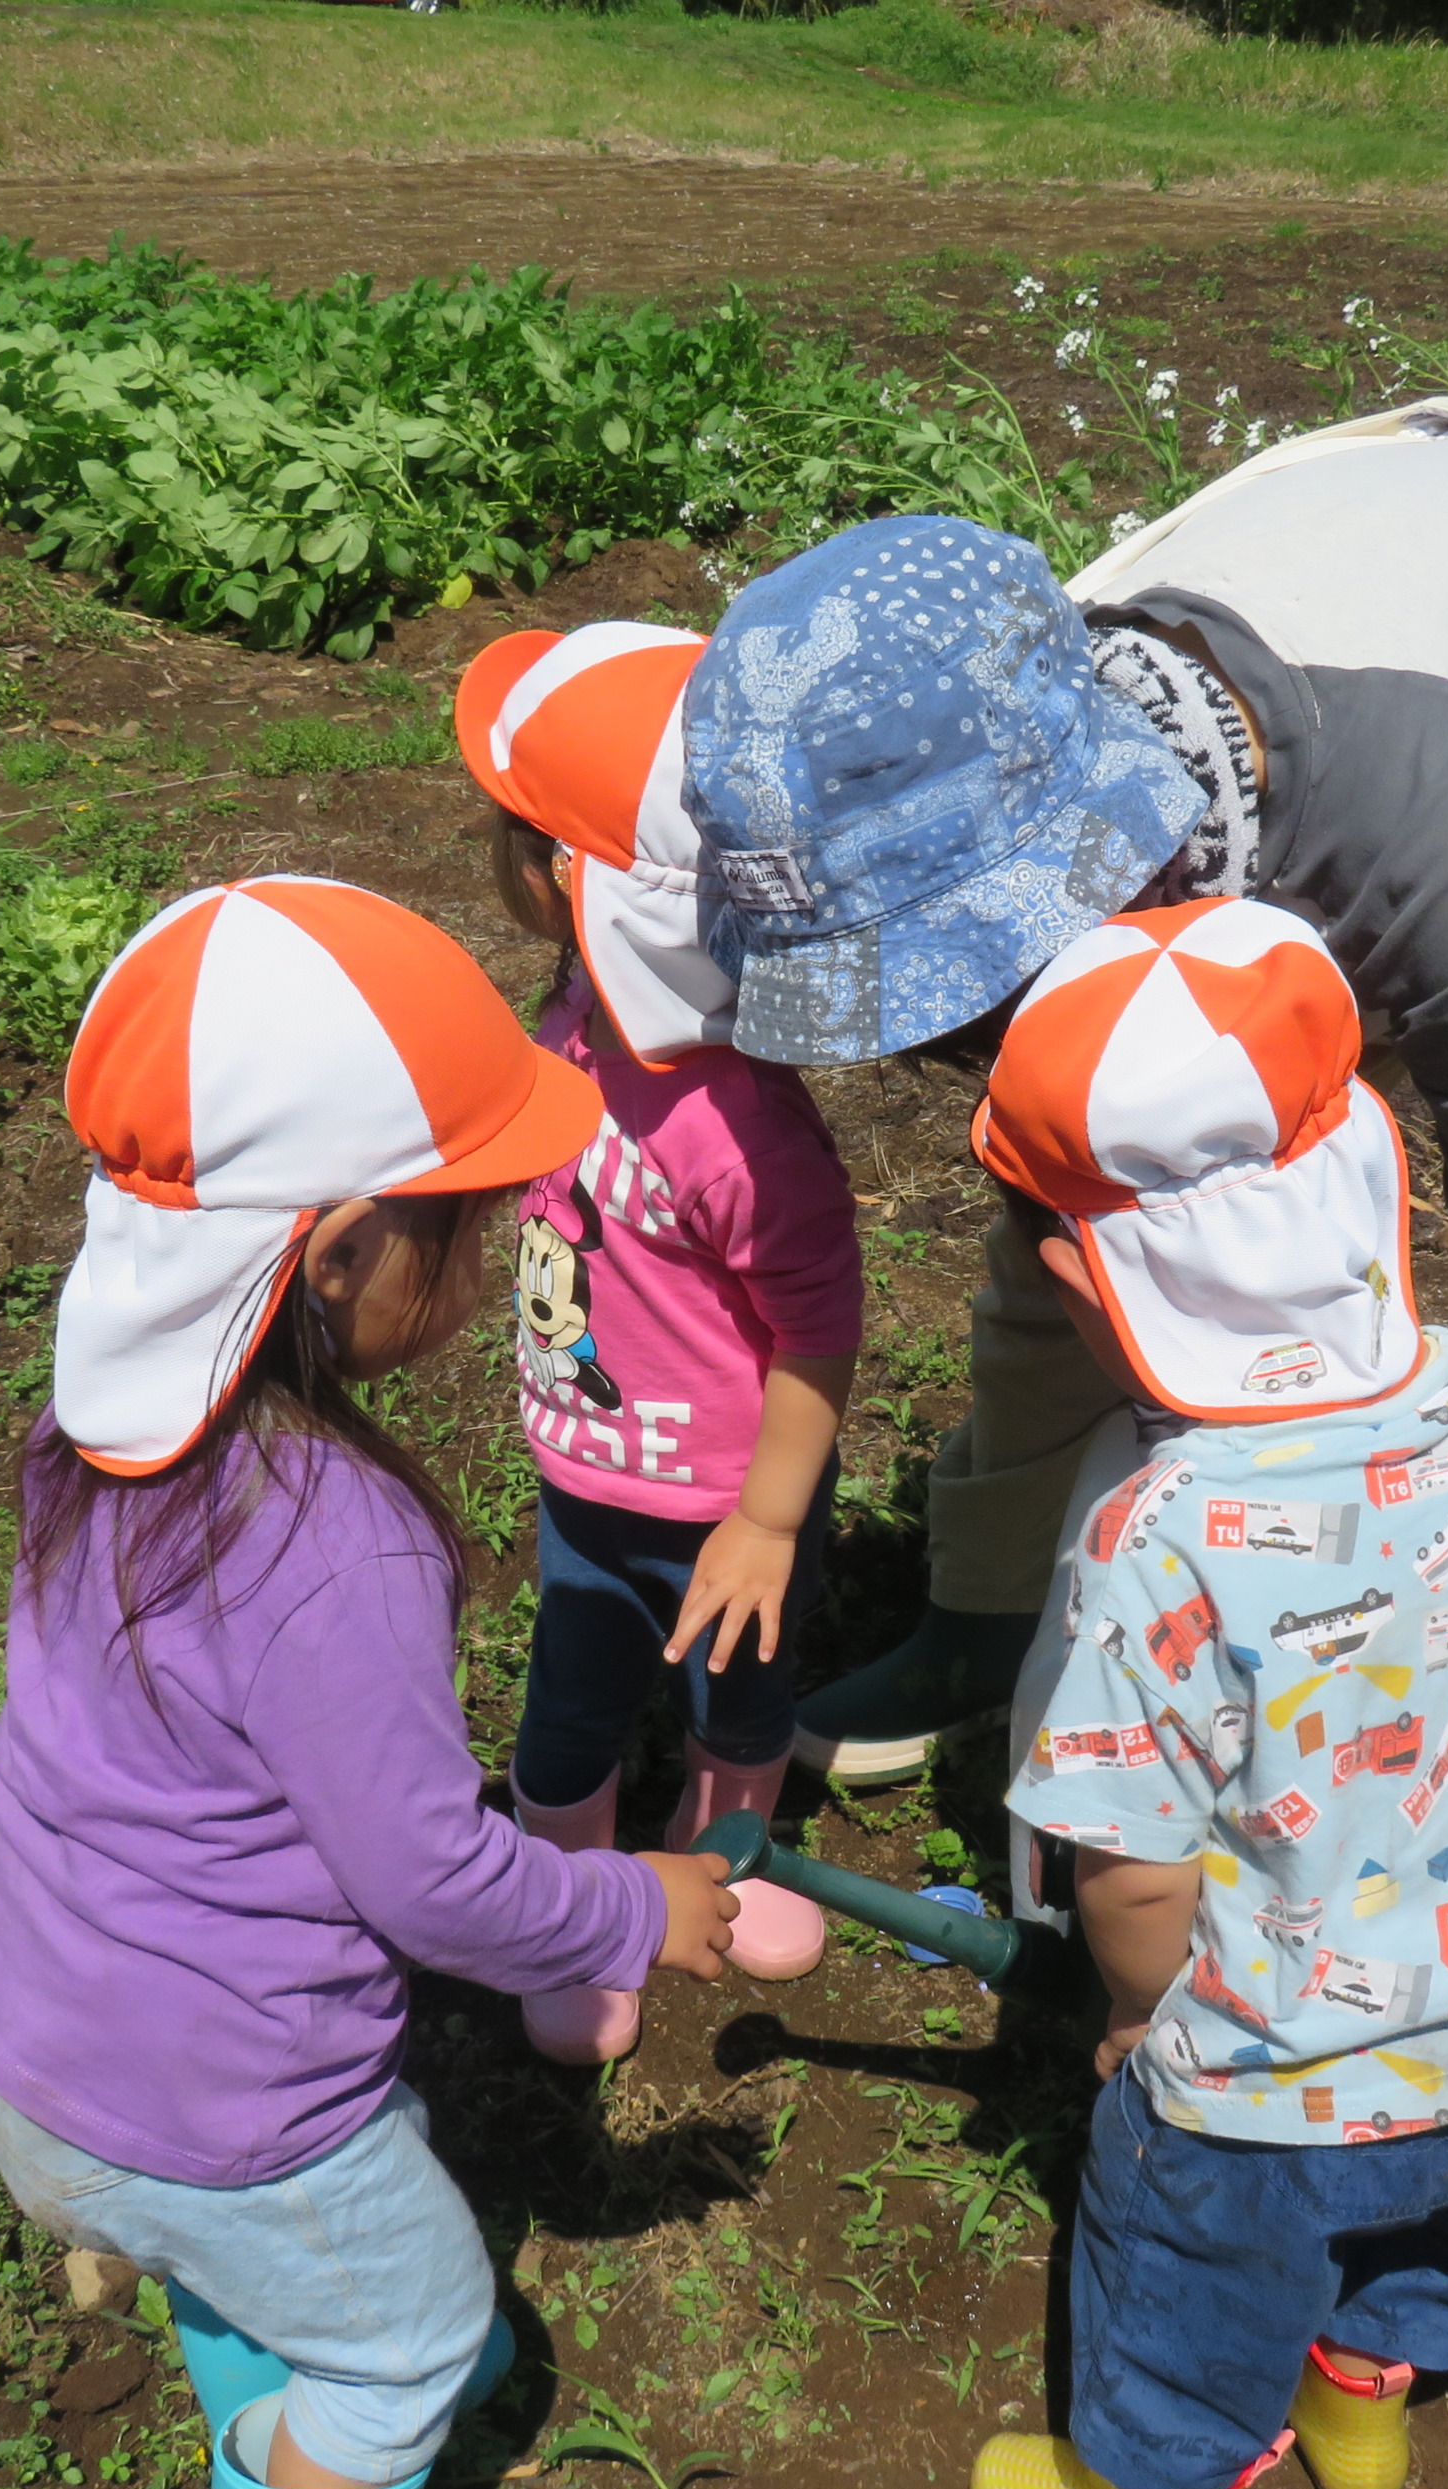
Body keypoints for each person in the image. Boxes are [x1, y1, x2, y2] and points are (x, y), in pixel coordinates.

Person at [680, 351, 1448, 2068]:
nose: (938, 1047)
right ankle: (982, 1628)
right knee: (1068, 1257)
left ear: (1102, 863)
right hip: (1376, 649)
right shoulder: (978, 721)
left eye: (952, 993)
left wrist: (1329, 1564)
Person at [0, 875, 740, 2489]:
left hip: (37, 2039)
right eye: (474, 1222)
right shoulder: (330, 1538)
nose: (498, 1250)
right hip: (220, 2109)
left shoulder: (100, 1430)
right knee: (411, 2348)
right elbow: (427, 1878)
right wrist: (632, 1908)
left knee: (279, 2271)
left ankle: (289, 2416)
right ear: (346, 1250)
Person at [958, 897, 1448, 2489]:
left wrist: (1136, 2012)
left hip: (1280, 2087)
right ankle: (1364, 2398)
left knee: (1191, 2278)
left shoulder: (1160, 1529)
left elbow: (1133, 1867)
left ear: (1077, 1276)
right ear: (1368, 1174)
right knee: (1443, 2248)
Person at [452, 623, 865, 2061]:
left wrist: (769, 1521)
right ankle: (572, 1909)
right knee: (571, 1699)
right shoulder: (577, 1023)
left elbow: (819, 1323)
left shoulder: (737, 1123)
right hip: (587, 1479)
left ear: (569, 882)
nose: (492, 851)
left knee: (740, 1698)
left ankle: (725, 1856)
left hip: (728, 1507)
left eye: (512, 833)